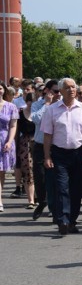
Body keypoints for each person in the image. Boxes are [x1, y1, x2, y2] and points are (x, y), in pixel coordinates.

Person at [41, 78, 82, 234]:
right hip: (59, 154)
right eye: (68, 87)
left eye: (73, 87)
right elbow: (47, 136)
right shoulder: (52, 110)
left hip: (79, 152)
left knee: (77, 189)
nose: (72, 90)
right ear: (61, 91)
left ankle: (72, 220)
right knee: (61, 187)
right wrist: (47, 157)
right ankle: (63, 220)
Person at [30, 80, 60, 220]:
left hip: (57, 146)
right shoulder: (37, 104)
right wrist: (47, 104)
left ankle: (55, 208)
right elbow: (36, 119)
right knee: (40, 176)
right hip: (40, 145)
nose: (57, 94)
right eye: (55, 91)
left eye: (59, 91)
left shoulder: (62, 104)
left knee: (56, 178)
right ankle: (42, 201)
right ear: (47, 91)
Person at [0, 81, 18, 212]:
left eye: (0, 88)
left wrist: (10, 141)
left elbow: (13, 125)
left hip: (4, 140)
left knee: (1, 173)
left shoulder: (11, 106)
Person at [18, 91, 36, 208]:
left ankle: (38, 196)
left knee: (38, 170)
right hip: (25, 142)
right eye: (29, 100)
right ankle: (30, 200)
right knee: (27, 170)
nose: (31, 103)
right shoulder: (20, 113)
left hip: (37, 141)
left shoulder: (40, 113)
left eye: (33, 101)